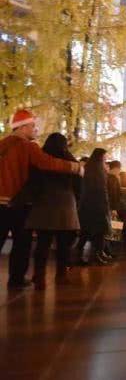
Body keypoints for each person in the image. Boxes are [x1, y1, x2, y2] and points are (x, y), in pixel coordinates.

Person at [0, 109, 81, 289]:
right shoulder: (28, 146)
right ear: (22, 127)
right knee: (21, 244)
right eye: (32, 126)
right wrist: (76, 167)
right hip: (18, 202)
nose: (35, 129)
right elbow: (47, 163)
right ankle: (16, 280)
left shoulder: (2, 144)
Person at [25, 133, 81, 289]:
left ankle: (39, 276)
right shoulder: (70, 160)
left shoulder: (41, 159)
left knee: (43, 243)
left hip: (43, 205)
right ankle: (61, 275)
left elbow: (32, 181)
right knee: (63, 244)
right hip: (66, 206)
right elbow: (79, 185)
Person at [77, 148, 112, 265]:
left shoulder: (89, 168)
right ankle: (95, 255)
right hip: (97, 206)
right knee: (97, 232)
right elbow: (101, 190)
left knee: (87, 232)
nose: (105, 159)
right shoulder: (97, 170)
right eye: (104, 157)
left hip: (88, 205)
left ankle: (83, 255)